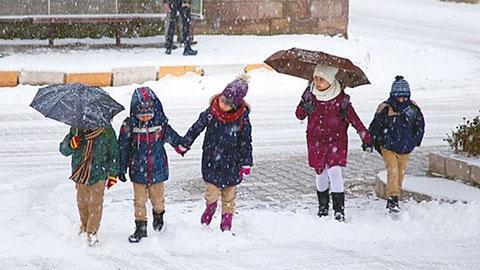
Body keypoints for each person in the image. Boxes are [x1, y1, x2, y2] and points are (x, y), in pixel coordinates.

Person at [295, 64, 372, 222]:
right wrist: (305, 107)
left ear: (330, 81)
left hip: (336, 141)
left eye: (321, 79)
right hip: (315, 141)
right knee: (320, 172)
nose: (317, 82)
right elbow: (299, 115)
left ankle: (338, 210)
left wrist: (366, 137)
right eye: (315, 78)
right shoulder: (310, 95)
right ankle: (323, 207)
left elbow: (355, 120)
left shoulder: (342, 100)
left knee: (335, 172)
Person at [179, 75, 253, 231]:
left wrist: (246, 161)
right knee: (211, 192)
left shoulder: (242, 119)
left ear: (235, 105)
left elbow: (246, 142)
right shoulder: (211, 112)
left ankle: (226, 222)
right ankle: (210, 208)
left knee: (229, 196)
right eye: (222, 99)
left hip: (233, 163)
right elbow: (196, 128)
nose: (222, 103)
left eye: (227, 103)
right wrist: (185, 144)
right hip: (212, 160)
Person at [118, 87, 185, 243]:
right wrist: (121, 168)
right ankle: (141, 227)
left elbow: (175, 139)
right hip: (137, 170)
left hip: (158, 169)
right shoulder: (130, 125)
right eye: (142, 115)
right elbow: (123, 147)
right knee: (139, 201)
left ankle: (158, 216)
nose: (146, 117)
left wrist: (183, 145)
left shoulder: (160, 125)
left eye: (149, 114)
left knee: (158, 199)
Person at [368, 76, 425, 213]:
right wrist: (371, 141)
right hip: (388, 146)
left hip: (405, 147)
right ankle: (392, 198)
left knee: (400, 173)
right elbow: (375, 126)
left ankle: (396, 196)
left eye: (404, 96)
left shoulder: (413, 109)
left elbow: (420, 126)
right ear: (393, 95)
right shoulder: (385, 108)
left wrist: (415, 140)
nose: (401, 99)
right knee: (392, 170)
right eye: (398, 96)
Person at [59, 126, 119, 246]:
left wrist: (113, 174)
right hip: (81, 172)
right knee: (82, 202)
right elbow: (63, 149)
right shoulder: (76, 129)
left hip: (99, 173)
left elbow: (114, 153)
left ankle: (92, 231)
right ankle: (84, 225)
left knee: (95, 203)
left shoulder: (107, 131)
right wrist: (71, 145)